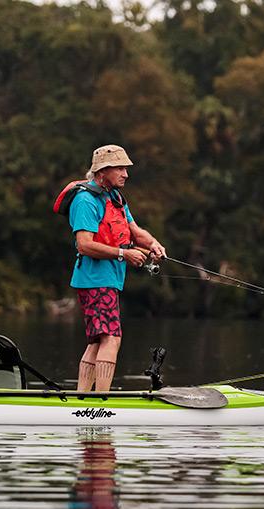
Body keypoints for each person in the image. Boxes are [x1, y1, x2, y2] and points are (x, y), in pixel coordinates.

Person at [67, 145, 166, 392]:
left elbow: (134, 230)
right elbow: (85, 244)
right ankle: (101, 401)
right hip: (94, 279)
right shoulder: (85, 201)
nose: (126, 174)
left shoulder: (115, 199)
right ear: (103, 171)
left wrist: (152, 244)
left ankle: (83, 399)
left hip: (107, 279)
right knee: (112, 338)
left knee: (98, 340)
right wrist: (124, 253)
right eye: (120, 168)